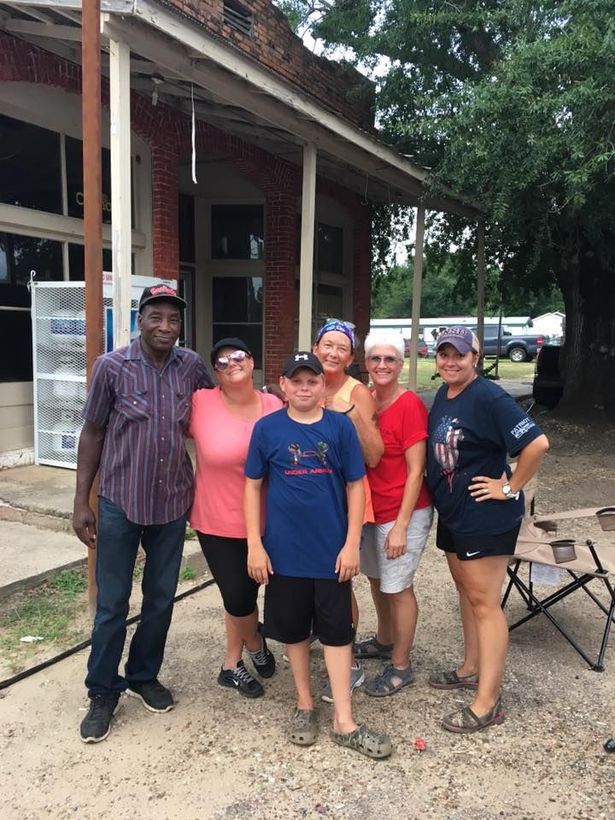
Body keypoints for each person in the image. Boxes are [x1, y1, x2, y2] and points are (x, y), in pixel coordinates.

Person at [73, 284, 213, 744]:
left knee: (160, 598)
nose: (166, 327)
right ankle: (102, 691)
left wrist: (272, 400)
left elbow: (220, 409)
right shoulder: (111, 367)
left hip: (172, 502)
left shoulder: (191, 366)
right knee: (112, 603)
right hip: (119, 501)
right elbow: (92, 433)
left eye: (174, 319)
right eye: (156, 317)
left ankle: (143, 674)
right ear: (140, 319)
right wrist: (82, 502)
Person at [244, 352, 392, 759]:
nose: (305, 388)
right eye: (297, 381)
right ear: (283, 385)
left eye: (313, 381)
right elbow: (252, 486)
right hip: (284, 553)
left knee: (337, 632)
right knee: (292, 631)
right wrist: (255, 544)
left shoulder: (340, 428)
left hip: (331, 553)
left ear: (324, 386)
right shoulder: (267, 429)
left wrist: (350, 544)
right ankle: (305, 704)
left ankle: (345, 720)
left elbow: (356, 487)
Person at [426, 326, 549, 733]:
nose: (450, 361)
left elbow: (537, 444)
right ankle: (471, 666)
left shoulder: (489, 397)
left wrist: (509, 486)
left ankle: (488, 702)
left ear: (475, 357)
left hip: (485, 517)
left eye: (459, 355)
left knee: (485, 603)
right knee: (467, 592)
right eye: (444, 354)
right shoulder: (446, 393)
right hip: (455, 512)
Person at [189, 338, 282, 698]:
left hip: (268, 518)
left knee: (249, 591)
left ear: (252, 361)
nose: (231, 363)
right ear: (216, 372)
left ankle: (231, 664)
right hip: (216, 520)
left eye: (238, 356)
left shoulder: (275, 404)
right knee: (238, 598)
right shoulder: (200, 403)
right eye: (222, 361)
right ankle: (256, 644)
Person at [356, 331, 433, 697]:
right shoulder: (366, 399)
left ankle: (401, 665)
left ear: (401, 364)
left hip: (405, 510)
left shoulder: (409, 405)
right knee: (375, 578)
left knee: (398, 587)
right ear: (366, 363)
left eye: (390, 360)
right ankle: (385, 639)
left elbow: (416, 470)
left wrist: (401, 526)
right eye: (375, 359)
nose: (382, 366)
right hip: (373, 508)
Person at [312, 318, 384, 698]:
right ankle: (323, 638)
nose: (333, 353)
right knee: (312, 573)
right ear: (315, 346)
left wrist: (349, 413)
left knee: (339, 580)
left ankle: (350, 659)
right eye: (328, 345)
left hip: (344, 498)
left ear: (351, 357)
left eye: (342, 348)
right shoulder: (303, 380)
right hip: (309, 497)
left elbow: (374, 456)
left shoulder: (358, 393)